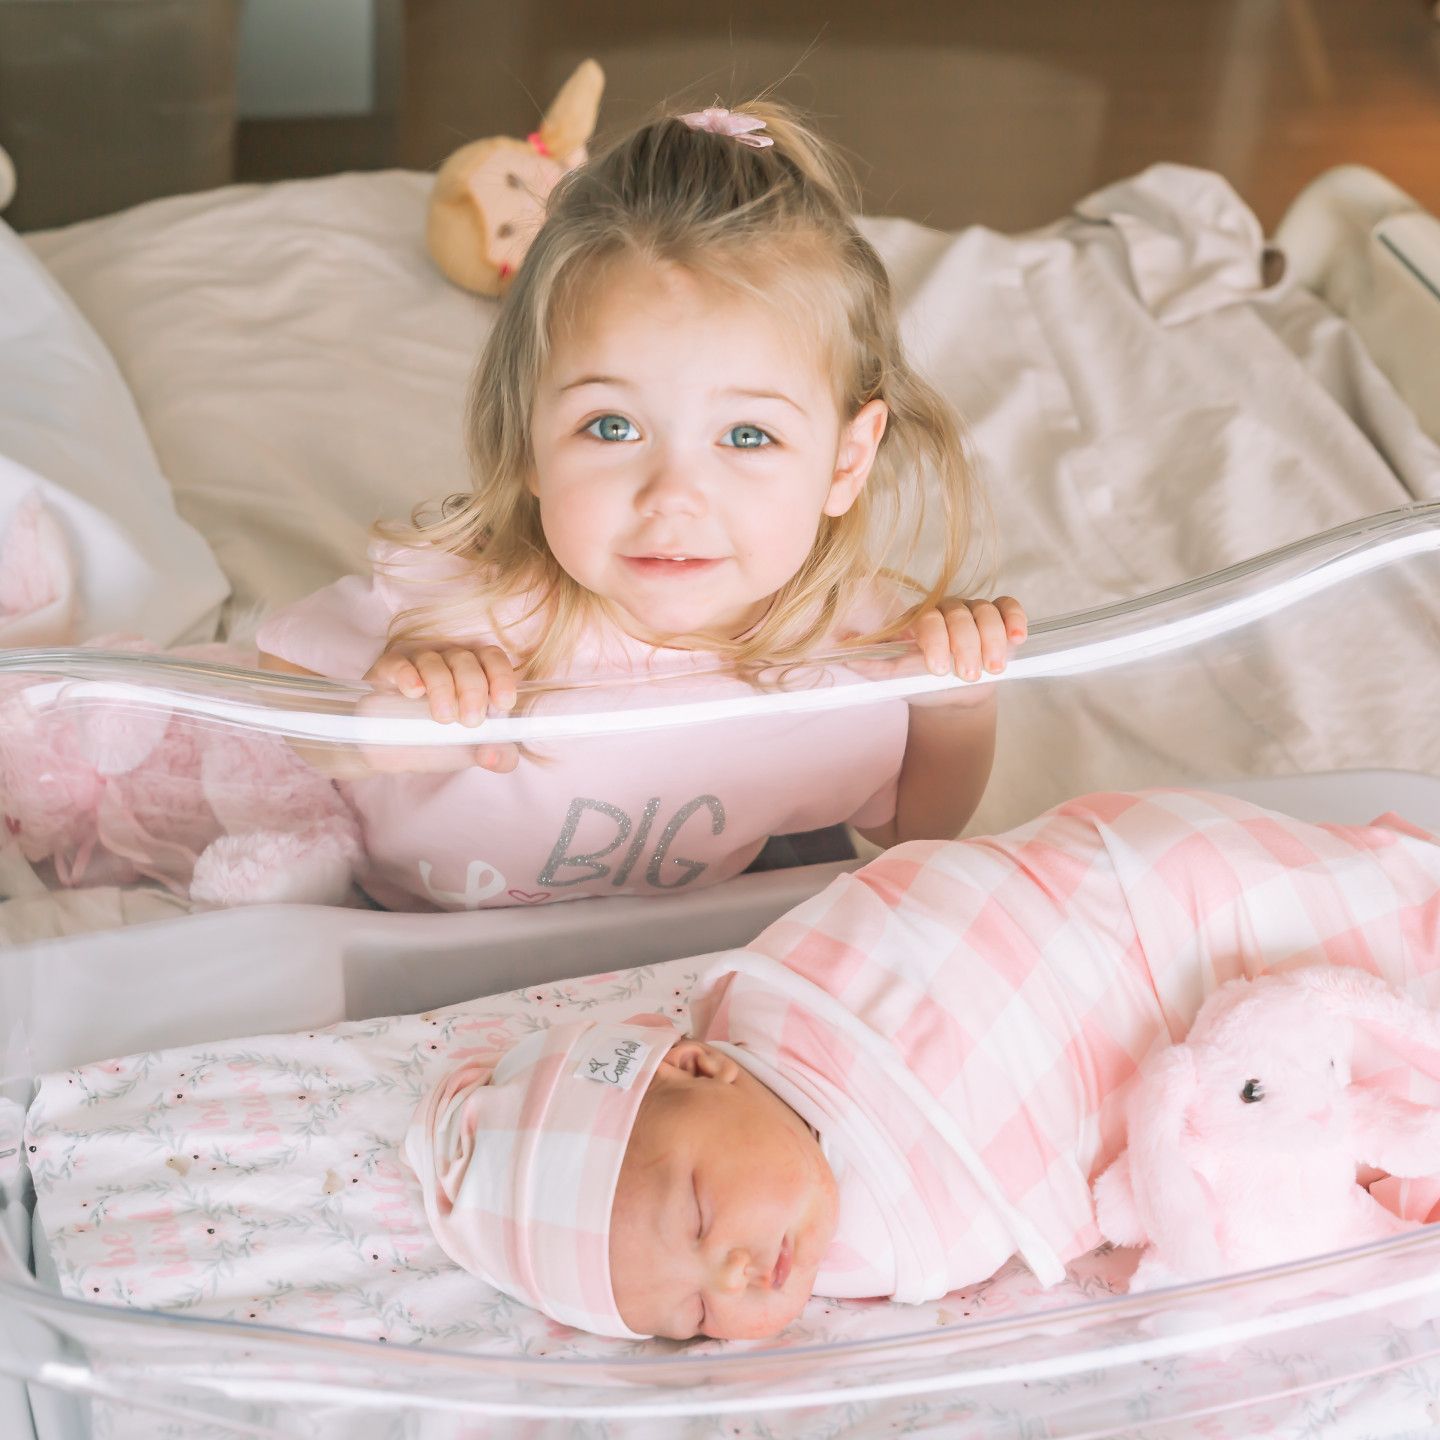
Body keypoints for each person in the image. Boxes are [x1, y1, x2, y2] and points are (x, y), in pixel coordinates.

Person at [256, 102, 1025, 911]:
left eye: (748, 436)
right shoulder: (471, 604)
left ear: (847, 459)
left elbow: (916, 830)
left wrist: (958, 706)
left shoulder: (849, 638)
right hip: (414, 953)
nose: (673, 498)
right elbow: (277, 685)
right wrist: (382, 731)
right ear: (527, 441)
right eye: (613, 427)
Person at [404, 787, 1440, 1340]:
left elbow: (944, 900)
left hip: (1135, 910)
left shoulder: (784, 992)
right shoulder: (860, 1256)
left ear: (698, 1070)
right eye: (694, 1320)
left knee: (1294, 928)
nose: (734, 1278)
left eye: (698, 1220)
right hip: (1215, 1073)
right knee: (1308, 1120)